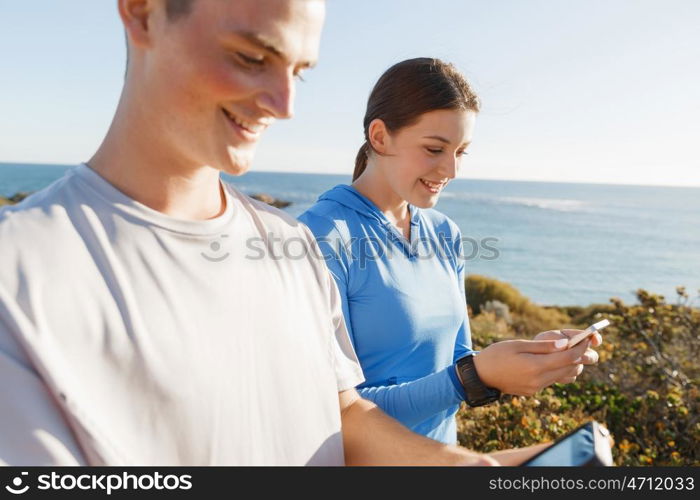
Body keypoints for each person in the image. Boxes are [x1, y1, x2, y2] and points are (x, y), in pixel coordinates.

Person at [0, 0, 555, 466]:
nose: (285, 106)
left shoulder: (287, 248)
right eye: (250, 57)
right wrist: (471, 381)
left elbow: (341, 422)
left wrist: (486, 467)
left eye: (299, 72)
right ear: (144, 13)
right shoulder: (21, 270)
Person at [298, 58, 602, 444]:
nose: (451, 170)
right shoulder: (320, 237)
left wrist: (528, 358)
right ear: (379, 137)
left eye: (461, 152)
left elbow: (457, 360)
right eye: (434, 149)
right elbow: (330, 412)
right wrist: (472, 377)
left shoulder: (445, 233)